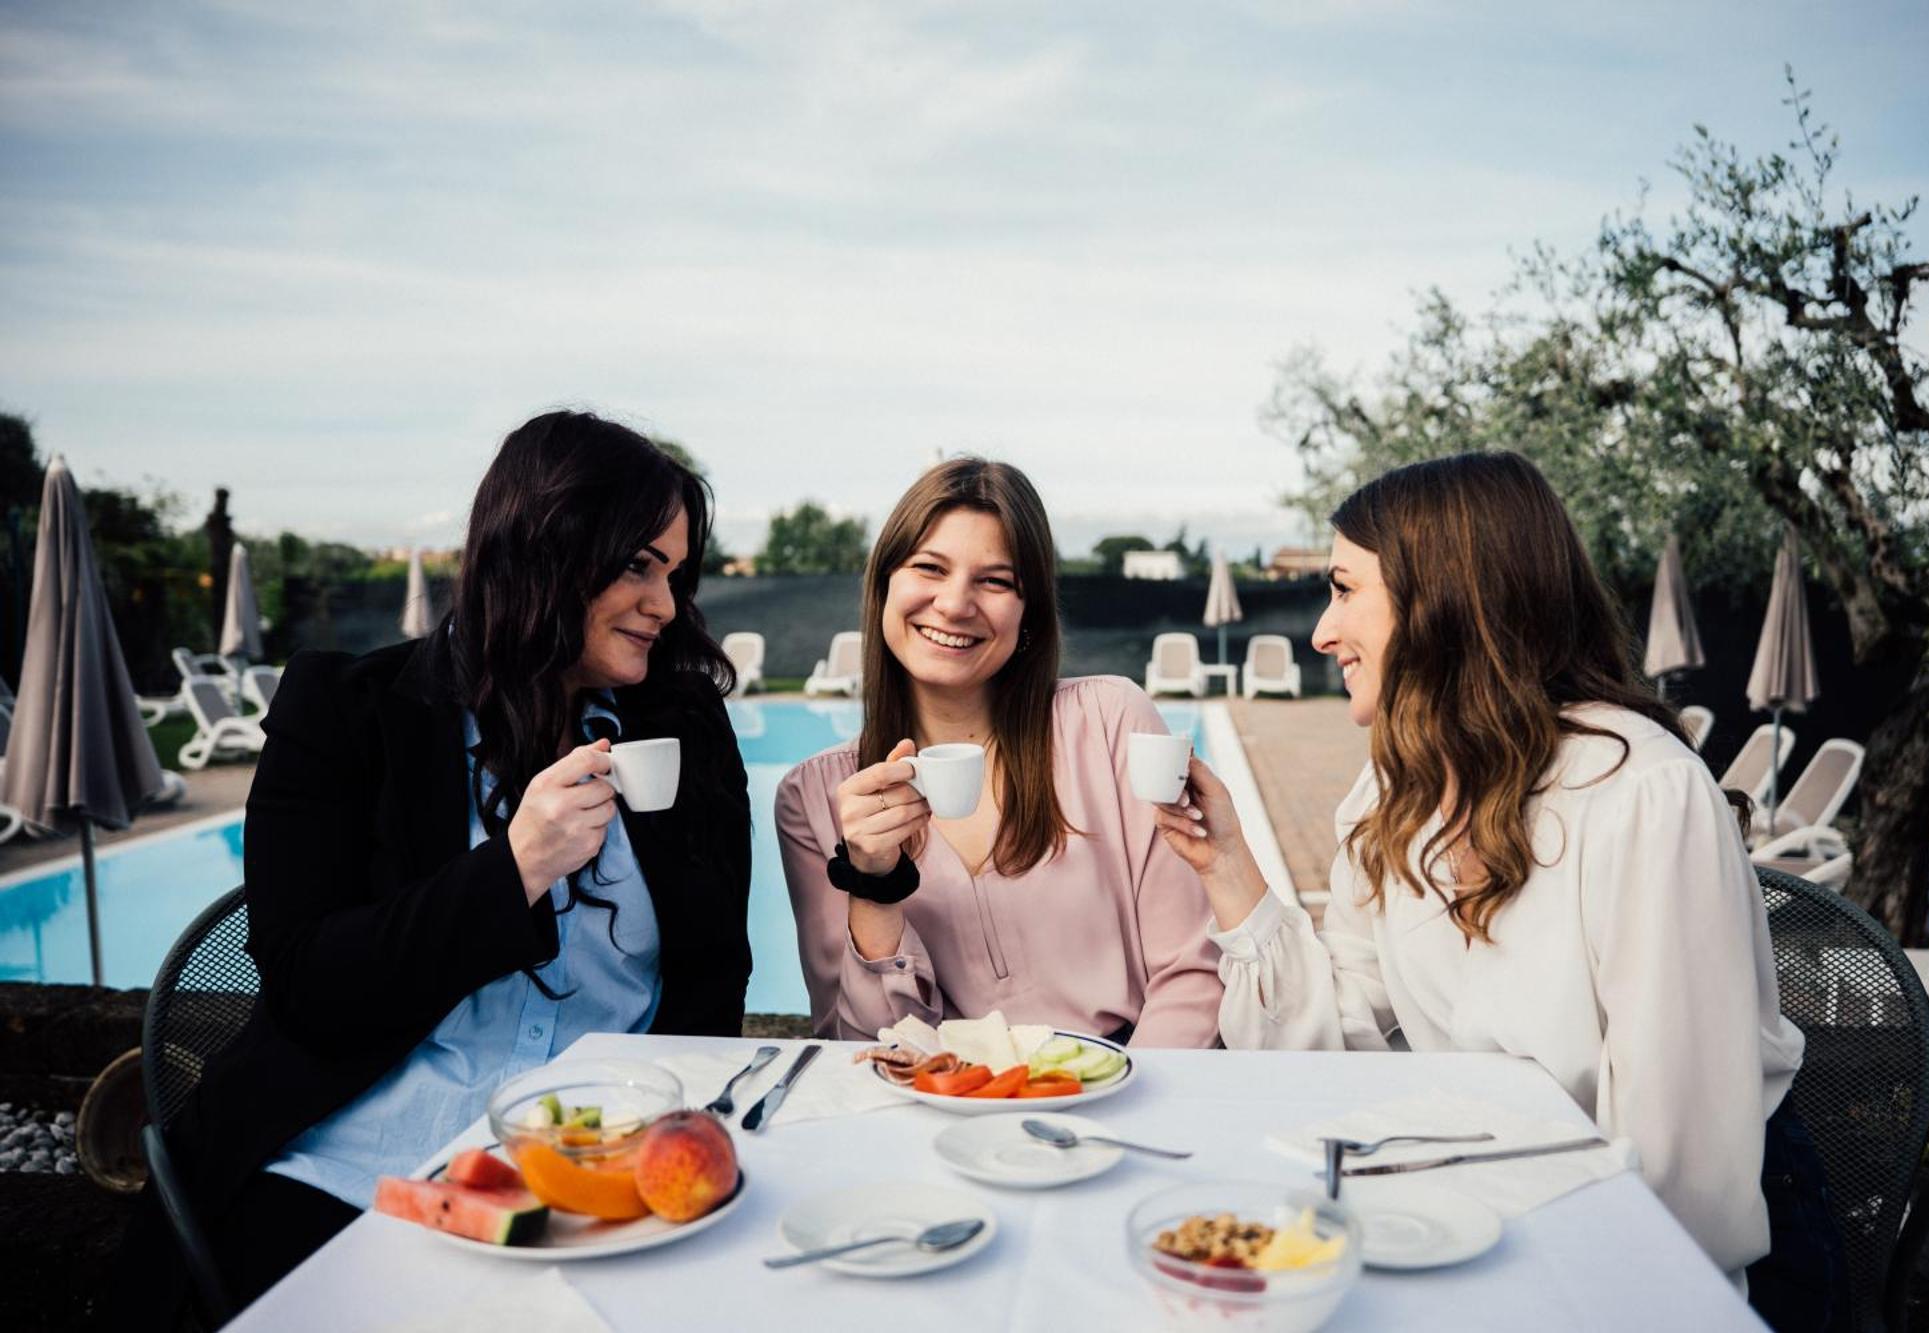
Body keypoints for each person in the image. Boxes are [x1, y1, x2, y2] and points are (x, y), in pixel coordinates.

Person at [1153, 452, 1841, 1323]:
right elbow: (1332, 1038)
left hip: (1681, 1249)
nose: (1321, 633)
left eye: (1342, 589)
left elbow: (1683, 1171)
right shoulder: (1395, 791)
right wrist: (1230, 870)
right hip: (1495, 1201)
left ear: (1444, 596)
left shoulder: (1643, 795)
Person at [121, 411, 751, 1320]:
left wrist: (676, 1144)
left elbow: (711, 967)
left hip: (599, 1175)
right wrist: (513, 870)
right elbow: (307, 985)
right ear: (543, 552)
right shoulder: (345, 712)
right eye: (638, 565)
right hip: (349, 1163)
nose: (666, 603)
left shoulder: (680, 725)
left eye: (675, 572)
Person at [776, 457, 1221, 1047]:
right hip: (940, 1113)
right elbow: (862, 1043)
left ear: (1027, 611)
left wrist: (1112, 1110)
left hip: (1127, 1098)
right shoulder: (812, 797)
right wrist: (872, 883)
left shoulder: (1113, 722)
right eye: (929, 568)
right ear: (885, 584)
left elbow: (1192, 975)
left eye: (995, 580)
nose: (956, 605)